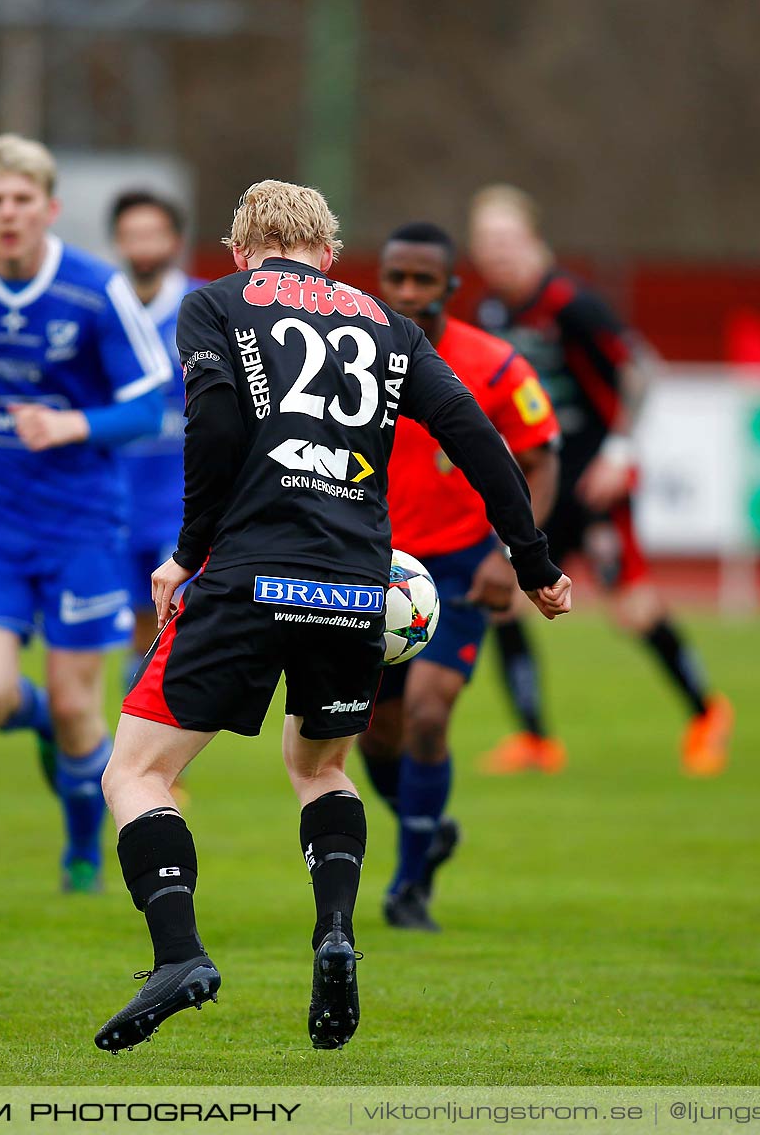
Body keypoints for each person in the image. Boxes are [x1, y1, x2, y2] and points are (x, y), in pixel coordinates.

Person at [92, 181, 572, 1055]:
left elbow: (214, 426)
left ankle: (178, 956)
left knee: (135, 773)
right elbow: (475, 435)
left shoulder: (217, 302)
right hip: (358, 587)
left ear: (243, 250)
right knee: (320, 769)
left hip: (247, 573)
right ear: (330, 251)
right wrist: (534, 562)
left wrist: (187, 554)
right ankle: (336, 935)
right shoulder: (389, 327)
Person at [0, 135, 171, 893]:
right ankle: (53, 726)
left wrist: (71, 425)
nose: (8, 213)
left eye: (22, 200)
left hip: (84, 527)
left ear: (48, 209)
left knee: (86, 708)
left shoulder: (93, 290)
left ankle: (82, 852)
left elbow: (147, 408)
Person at [467, 184, 734, 777]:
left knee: (632, 609)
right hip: (543, 483)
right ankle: (537, 741)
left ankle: (707, 713)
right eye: (485, 241)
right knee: (505, 601)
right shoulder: (493, 311)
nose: (496, 251)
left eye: (507, 238)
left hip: (594, 487)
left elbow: (641, 370)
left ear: (534, 239)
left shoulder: (571, 303)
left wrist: (618, 450)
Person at [359, 221, 561, 933]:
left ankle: (409, 886)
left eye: (424, 280)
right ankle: (426, 828)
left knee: (428, 713)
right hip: (369, 564)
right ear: (379, 281)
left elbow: (541, 459)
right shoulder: (349, 357)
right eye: (396, 278)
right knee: (372, 736)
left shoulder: (497, 365)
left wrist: (508, 555)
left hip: (455, 568)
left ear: (451, 286)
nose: (409, 292)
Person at [108, 190, 208, 680]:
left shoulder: (205, 307)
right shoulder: (103, 309)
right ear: (117, 242)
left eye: (153, 234)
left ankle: (157, 751)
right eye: (132, 235)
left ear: (175, 241)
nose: (143, 246)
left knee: (181, 640)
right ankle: (143, 753)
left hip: (183, 505)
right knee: (139, 644)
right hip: (116, 501)